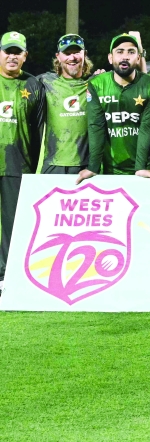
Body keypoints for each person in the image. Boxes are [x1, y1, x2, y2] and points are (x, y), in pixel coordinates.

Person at [77, 33, 150, 182]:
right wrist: (93, 167)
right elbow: (96, 126)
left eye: (131, 52)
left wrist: (140, 167)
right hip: (108, 169)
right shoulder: (97, 84)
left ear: (138, 58)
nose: (125, 57)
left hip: (142, 168)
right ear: (110, 58)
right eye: (119, 51)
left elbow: (147, 127)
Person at [0, 32, 44, 290]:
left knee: (12, 225)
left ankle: (5, 275)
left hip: (19, 164)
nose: (12, 56)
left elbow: (40, 128)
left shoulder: (34, 85)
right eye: (8, 51)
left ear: (25, 56)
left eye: (18, 52)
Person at [38, 33, 92, 174]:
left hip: (86, 166)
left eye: (76, 52)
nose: (72, 57)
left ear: (84, 54)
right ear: (58, 56)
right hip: (53, 163)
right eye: (67, 53)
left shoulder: (95, 84)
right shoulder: (44, 82)